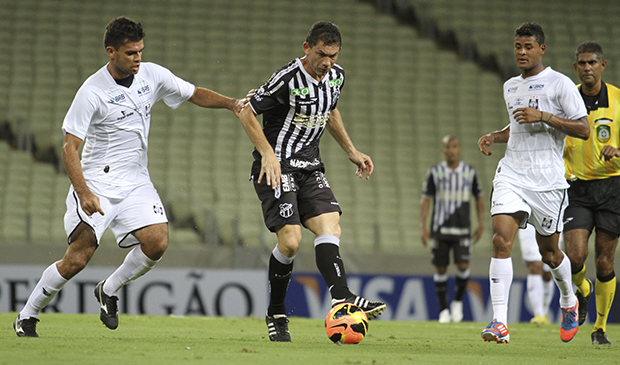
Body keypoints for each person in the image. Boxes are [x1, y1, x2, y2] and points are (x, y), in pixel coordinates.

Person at [13, 16, 250, 337]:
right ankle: (27, 315)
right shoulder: (92, 91)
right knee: (77, 259)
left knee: (157, 243)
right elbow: (70, 147)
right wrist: (83, 193)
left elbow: (193, 93)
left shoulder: (151, 74)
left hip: (136, 181)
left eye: (140, 51)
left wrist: (232, 104)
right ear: (111, 52)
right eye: (130, 53)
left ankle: (108, 290)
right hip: (97, 183)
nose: (138, 58)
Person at [238, 21, 386, 342]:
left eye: (332, 56)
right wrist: (266, 153)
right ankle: (276, 312)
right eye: (321, 54)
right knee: (291, 242)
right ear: (307, 48)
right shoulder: (287, 78)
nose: (326, 62)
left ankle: (341, 297)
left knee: (330, 227)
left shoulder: (336, 76)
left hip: (311, 168)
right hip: (277, 167)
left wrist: (351, 149)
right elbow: (246, 111)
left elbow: (330, 111)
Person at [477, 22, 589, 344]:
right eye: (518, 47)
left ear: (541, 49)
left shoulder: (560, 84)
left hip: (548, 181)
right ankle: (499, 322)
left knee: (550, 253)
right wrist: (494, 137)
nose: (522, 52)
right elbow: (518, 127)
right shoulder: (510, 86)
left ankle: (568, 299)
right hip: (513, 173)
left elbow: (583, 129)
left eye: (528, 47)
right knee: (501, 241)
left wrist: (546, 117)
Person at [564, 41, 620, 345]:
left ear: (602, 65)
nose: (587, 68)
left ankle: (600, 329)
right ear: (576, 67)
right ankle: (582, 289)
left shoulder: (619, 101)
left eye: (592, 63)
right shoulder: (566, 99)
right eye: (582, 63)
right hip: (577, 187)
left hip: (612, 186)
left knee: (604, 262)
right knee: (574, 256)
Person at [420, 135, 484, 323]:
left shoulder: (469, 172)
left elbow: (478, 197)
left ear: (459, 149)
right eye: (447, 147)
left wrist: (481, 223)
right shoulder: (435, 172)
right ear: (443, 150)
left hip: (462, 227)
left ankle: (457, 302)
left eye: (454, 146)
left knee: (463, 266)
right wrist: (423, 227)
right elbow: (426, 199)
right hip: (439, 228)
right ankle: (443, 311)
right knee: (440, 268)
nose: (451, 150)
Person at [517, 224, 555, 325]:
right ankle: (539, 314)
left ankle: (545, 311)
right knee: (534, 266)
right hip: (528, 224)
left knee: (549, 271)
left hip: (549, 220)